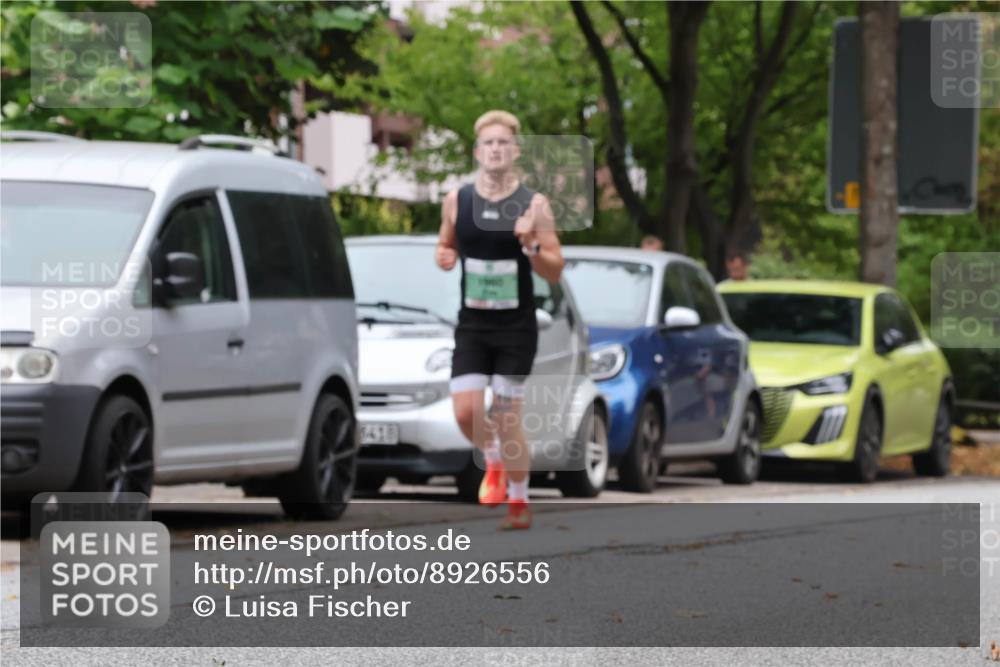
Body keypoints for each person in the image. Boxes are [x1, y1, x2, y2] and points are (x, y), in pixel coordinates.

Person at [435, 110, 564, 530]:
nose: (495, 149)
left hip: (515, 327)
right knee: (466, 412)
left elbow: (555, 269)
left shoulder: (533, 204)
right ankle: (492, 459)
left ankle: (519, 503)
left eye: (502, 142)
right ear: (477, 152)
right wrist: (445, 256)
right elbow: (446, 245)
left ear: (515, 151)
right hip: (473, 323)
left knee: (507, 414)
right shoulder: (458, 199)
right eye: (488, 143)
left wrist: (530, 245)